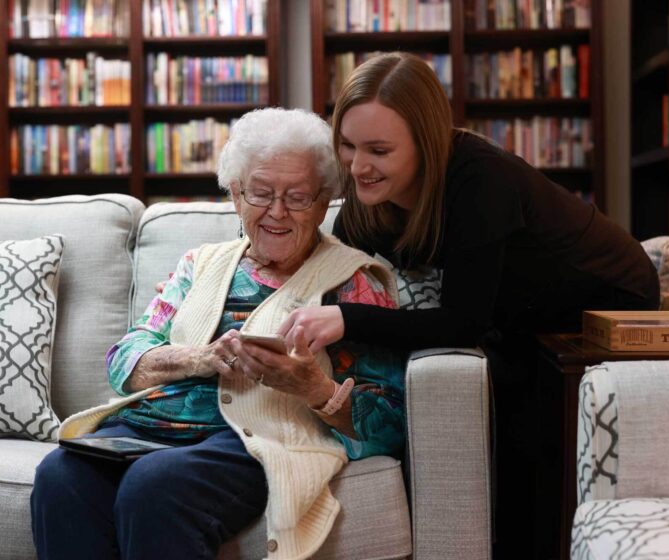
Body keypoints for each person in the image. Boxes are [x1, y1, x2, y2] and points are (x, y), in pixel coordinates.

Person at [275, 52, 660, 558]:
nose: (358, 165)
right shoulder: (369, 195)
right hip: (517, 312)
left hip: (604, 301)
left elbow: (462, 321)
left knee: (521, 422)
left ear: (425, 142)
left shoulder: (480, 180)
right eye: (347, 145)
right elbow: (339, 269)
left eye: (379, 150)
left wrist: (347, 319)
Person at [30, 108, 406, 560]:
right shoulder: (199, 264)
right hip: (147, 430)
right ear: (236, 195)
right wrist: (198, 358)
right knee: (60, 475)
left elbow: (390, 423)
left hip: (254, 441)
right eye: (261, 193)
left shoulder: (352, 282)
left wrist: (313, 387)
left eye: (298, 197)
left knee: (154, 487)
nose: (277, 212)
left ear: (324, 201)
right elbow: (124, 359)